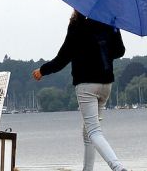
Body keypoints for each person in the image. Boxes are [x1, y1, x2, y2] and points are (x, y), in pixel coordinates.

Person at [32, 10, 127, 171]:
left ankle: (118, 167)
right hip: (106, 84)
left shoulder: (77, 25)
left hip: (86, 85)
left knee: (94, 132)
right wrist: (114, 30)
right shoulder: (108, 21)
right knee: (88, 131)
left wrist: (42, 70)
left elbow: (63, 58)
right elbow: (120, 51)